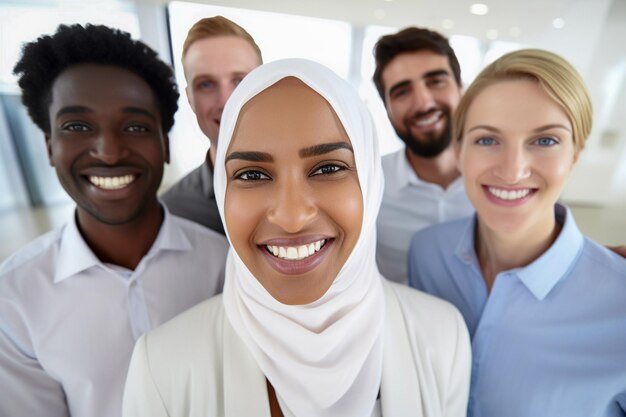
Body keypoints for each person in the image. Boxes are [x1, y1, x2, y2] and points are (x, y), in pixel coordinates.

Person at [123, 58, 470, 417]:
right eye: (253, 175)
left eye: (328, 168)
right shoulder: (162, 367)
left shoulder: (443, 336)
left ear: (369, 179)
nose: (291, 217)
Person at [0, 24, 228, 417]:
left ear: (165, 144)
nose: (108, 152)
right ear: (50, 146)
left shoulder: (224, 264)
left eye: (136, 126)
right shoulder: (14, 299)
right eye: (77, 127)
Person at [408, 49, 626, 417]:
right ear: (459, 151)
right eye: (487, 140)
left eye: (545, 141)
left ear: (575, 154)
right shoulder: (427, 253)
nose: (512, 171)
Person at [372, 27, 474, 284]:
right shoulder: (368, 185)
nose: (424, 103)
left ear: (462, 89)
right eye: (402, 91)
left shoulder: (504, 179)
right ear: (387, 109)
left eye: (436, 81)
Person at [161, 15, 262, 234]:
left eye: (239, 81)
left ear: (265, 87)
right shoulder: (170, 214)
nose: (226, 101)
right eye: (206, 84)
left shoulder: (315, 185)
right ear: (190, 99)